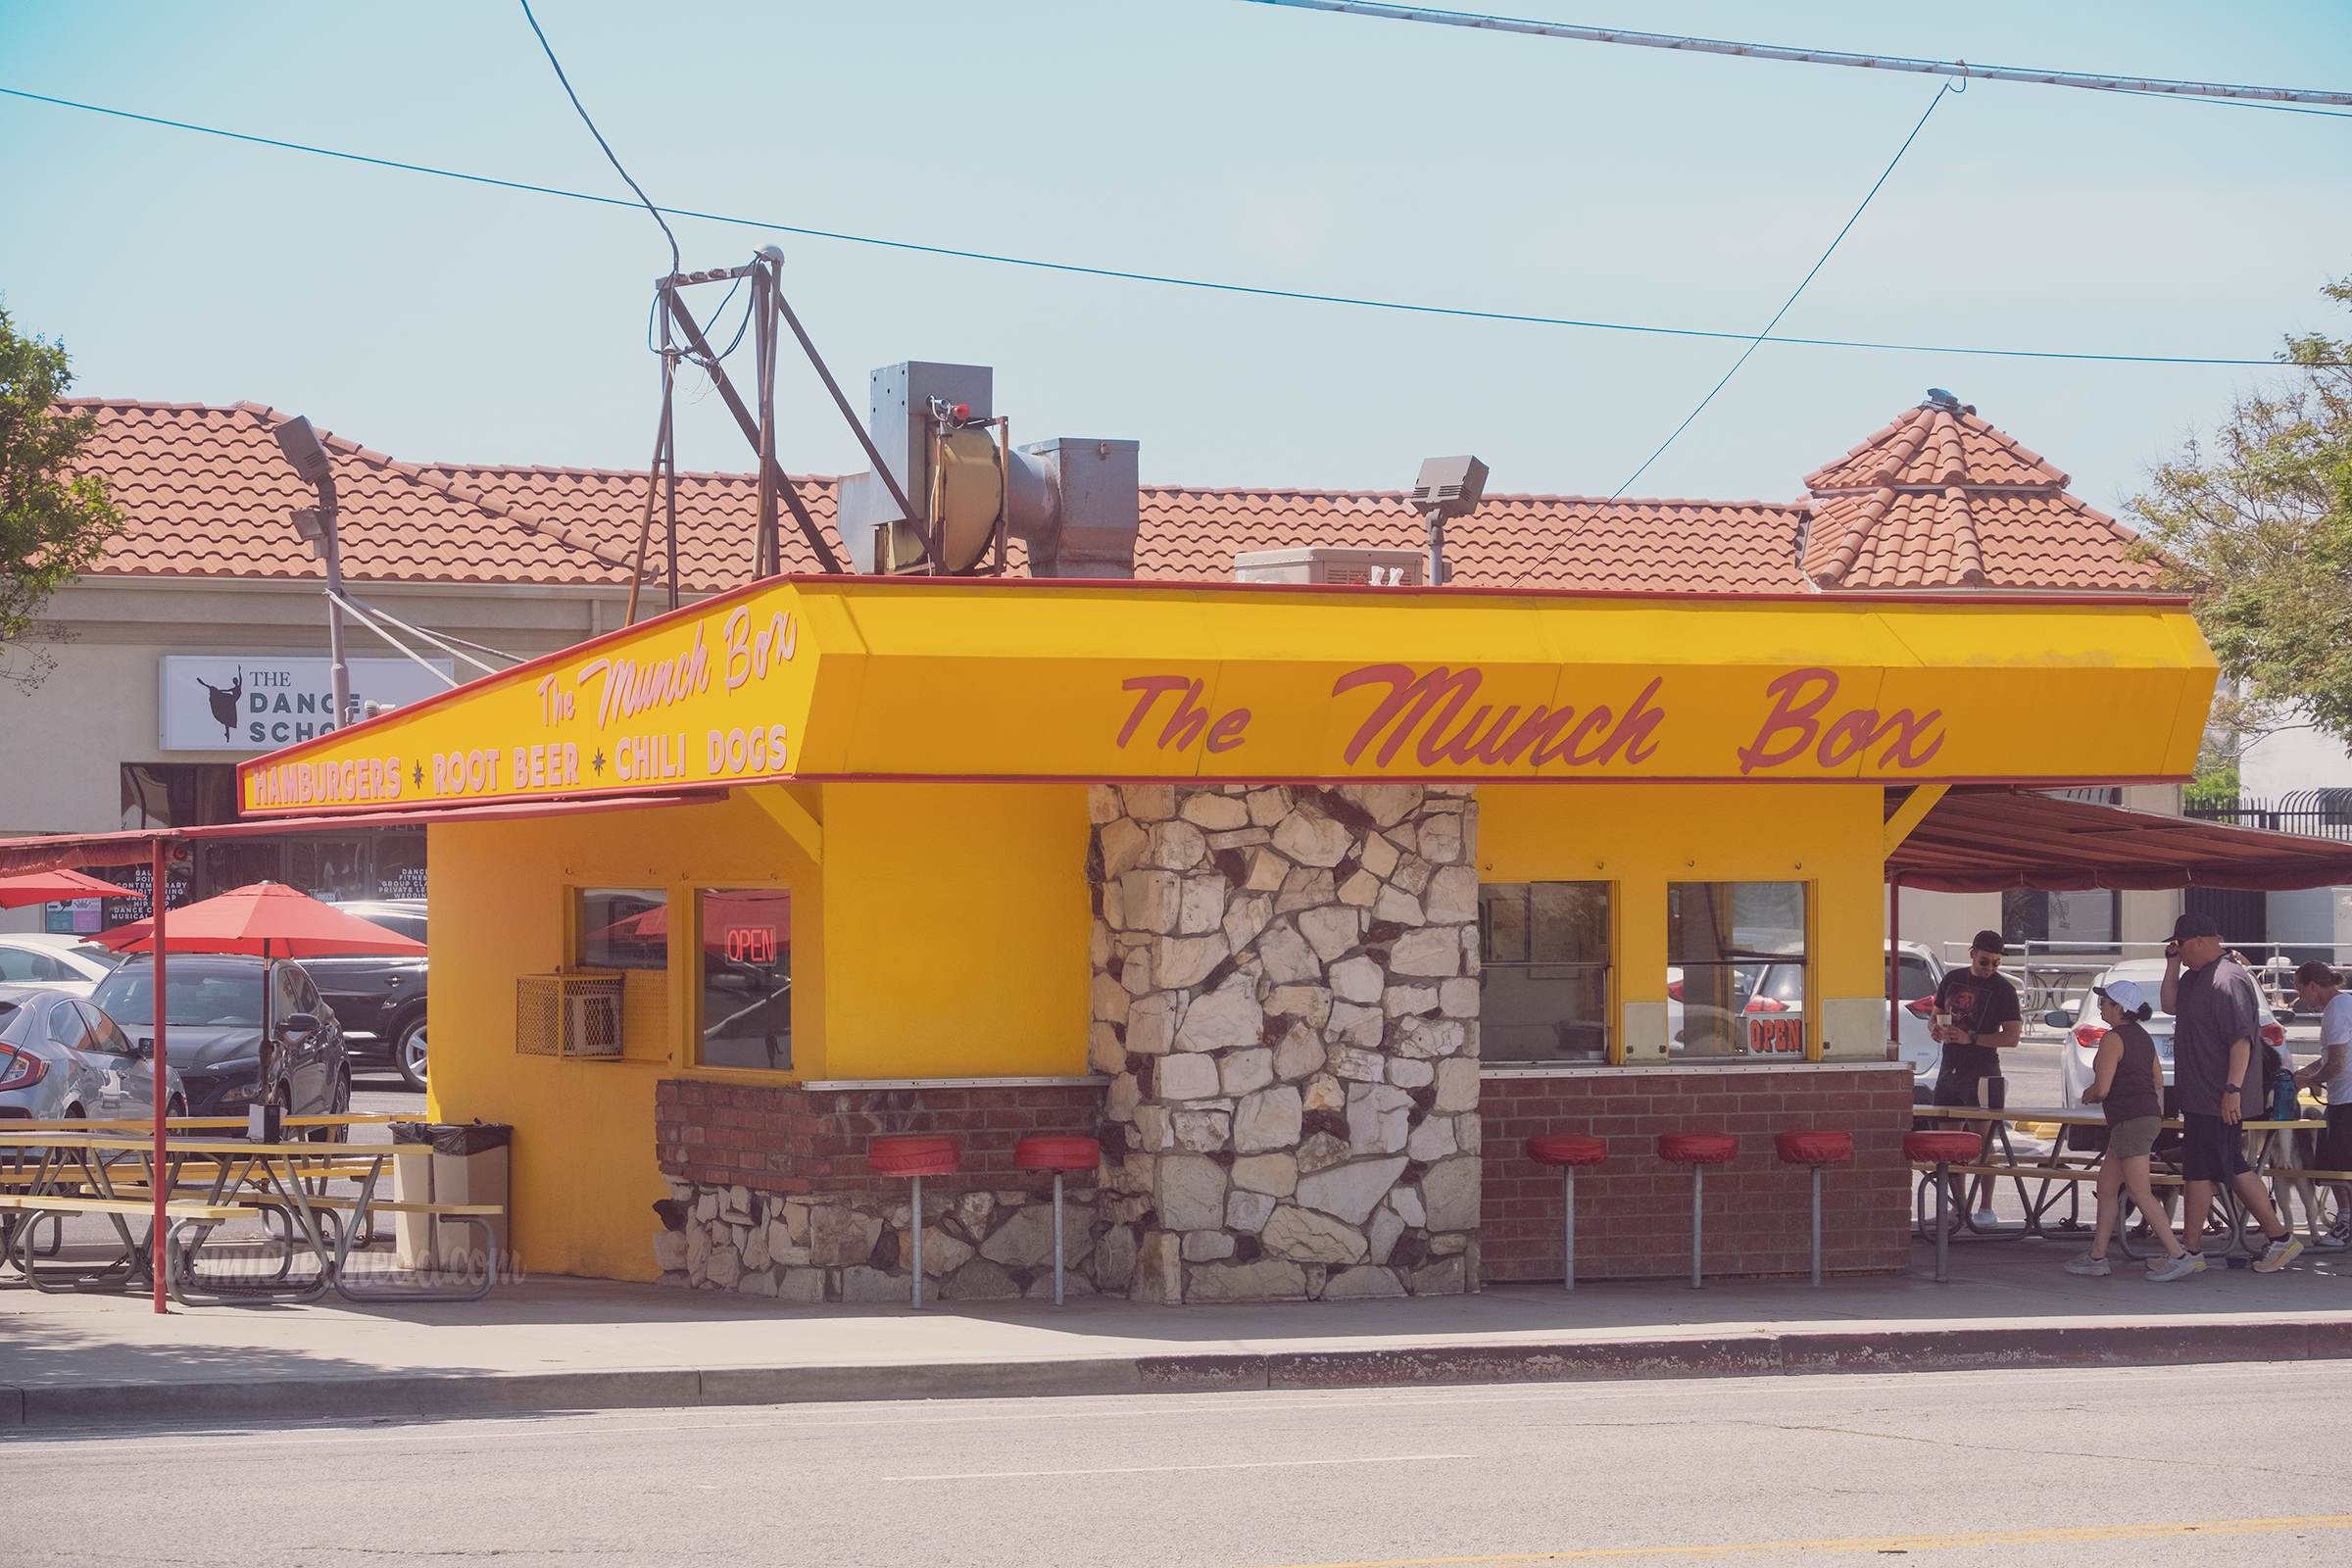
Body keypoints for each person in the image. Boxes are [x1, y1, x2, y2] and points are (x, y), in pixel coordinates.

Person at [2160, 912, 2303, 1272]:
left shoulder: (2228, 978)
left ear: (2199, 941)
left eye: (2179, 945)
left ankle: (2278, 1239)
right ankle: (2190, 1253)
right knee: (2205, 1168)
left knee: (2224, 1166)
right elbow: (2169, 1005)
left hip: (2218, 1096)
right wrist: (2172, 965)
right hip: (2199, 1095)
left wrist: (2232, 1090)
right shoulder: (2194, 977)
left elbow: (2241, 1041)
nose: (2177, 952)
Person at [2069, 980, 2195, 1279]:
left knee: (2139, 1191)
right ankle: (2097, 1256)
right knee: (2107, 1186)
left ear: (2120, 1008)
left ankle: (2177, 1255)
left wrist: (2090, 1093)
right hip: (2145, 1117)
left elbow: (2101, 1089)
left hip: (2129, 1120)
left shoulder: (2114, 1039)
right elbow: (2158, 1081)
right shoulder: (2143, 1036)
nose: (2100, 1005)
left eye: (2106, 1001)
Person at [1929, 929, 2023, 1227]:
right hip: (1949, 1067)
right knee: (1949, 1141)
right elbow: (1936, 1014)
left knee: (1983, 1141)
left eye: (1995, 963)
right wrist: (1934, 1028)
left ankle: (1985, 1207)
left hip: (1983, 1069)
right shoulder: (1951, 978)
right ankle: (1958, 1207)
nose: (1990, 968)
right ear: (1972, 954)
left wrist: (1972, 1038)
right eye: (1985, 962)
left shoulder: (2004, 989)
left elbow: (2012, 1037)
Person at [2289, 959, 2352, 1247]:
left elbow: (2336, 1064)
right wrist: (2310, 1070)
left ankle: (2345, 1223)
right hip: (2344, 1095)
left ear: (2313, 986)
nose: (2302, 999)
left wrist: (2308, 1079)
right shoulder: (2347, 1003)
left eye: (2301, 991)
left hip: (2346, 1098)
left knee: (2335, 1168)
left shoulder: (2335, 1011)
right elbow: (2335, 1055)